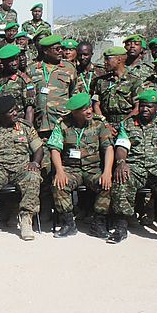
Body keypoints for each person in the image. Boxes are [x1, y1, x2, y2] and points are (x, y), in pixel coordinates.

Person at [108, 90, 157, 248]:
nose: (145, 109)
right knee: (122, 179)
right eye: (142, 106)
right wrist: (122, 162)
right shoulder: (129, 124)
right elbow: (122, 146)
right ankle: (121, 227)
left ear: (156, 107)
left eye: (149, 107)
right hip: (136, 169)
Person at [0, 95, 43, 242]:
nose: (15, 113)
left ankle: (26, 220)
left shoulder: (24, 127)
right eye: (10, 111)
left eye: (15, 109)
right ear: (0, 115)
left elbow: (38, 148)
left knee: (33, 177)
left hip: (21, 167)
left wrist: (35, 163)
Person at [48, 92, 113, 239]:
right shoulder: (63, 124)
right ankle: (68, 223)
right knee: (59, 184)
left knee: (107, 184)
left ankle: (98, 224)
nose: (89, 111)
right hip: (71, 169)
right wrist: (59, 171)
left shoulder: (99, 123)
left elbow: (108, 148)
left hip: (93, 169)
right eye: (84, 109)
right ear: (75, 112)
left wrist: (107, 171)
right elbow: (54, 149)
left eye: (89, 107)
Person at [29, 34, 79, 139]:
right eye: (56, 49)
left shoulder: (69, 68)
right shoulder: (33, 69)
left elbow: (74, 94)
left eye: (61, 48)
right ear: (46, 51)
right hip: (41, 124)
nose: (61, 51)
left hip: (63, 122)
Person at [0, 44, 34, 133]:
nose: (15, 63)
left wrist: (29, 133)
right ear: (3, 62)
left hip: (16, 128)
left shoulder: (24, 80)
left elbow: (29, 109)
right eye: (10, 61)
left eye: (16, 59)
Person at [92, 46, 141, 132]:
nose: (105, 62)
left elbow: (137, 108)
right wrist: (105, 125)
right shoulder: (101, 81)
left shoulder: (134, 81)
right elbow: (96, 104)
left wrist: (122, 125)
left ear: (119, 60)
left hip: (127, 125)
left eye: (108, 59)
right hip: (105, 124)